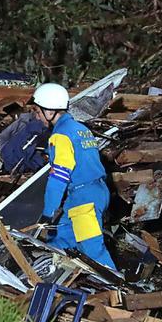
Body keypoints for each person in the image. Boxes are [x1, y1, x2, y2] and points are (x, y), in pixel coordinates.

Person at [33, 83, 117, 270]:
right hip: (95, 192)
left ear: (50, 111)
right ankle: (52, 276)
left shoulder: (61, 136)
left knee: (93, 249)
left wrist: (48, 212)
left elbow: (59, 177)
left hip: (83, 199)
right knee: (60, 237)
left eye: (38, 112)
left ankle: (119, 290)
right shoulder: (81, 129)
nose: (37, 117)